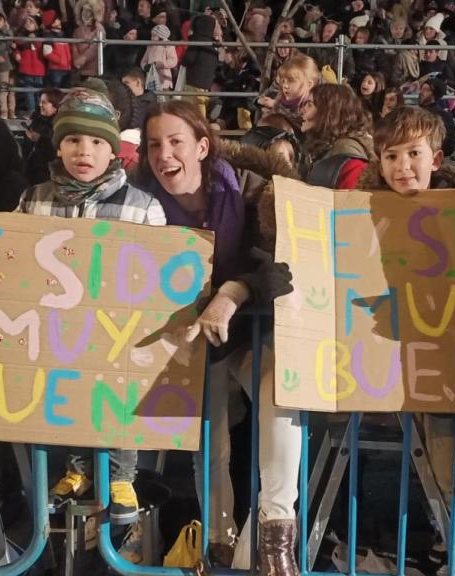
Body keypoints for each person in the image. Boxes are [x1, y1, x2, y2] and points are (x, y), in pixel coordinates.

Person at [138, 99, 299, 575]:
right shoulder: (142, 203)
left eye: (175, 142)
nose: (164, 154)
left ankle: (275, 536)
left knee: (281, 402)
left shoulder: (255, 192)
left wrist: (233, 291)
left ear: (203, 146)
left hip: (255, 328)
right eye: (153, 145)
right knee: (208, 432)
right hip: (189, 336)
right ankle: (217, 540)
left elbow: (277, 264)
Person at [18, 88, 164, 525]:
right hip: (56, 328)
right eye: (74, 140)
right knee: (66, 392)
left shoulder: (143, 207)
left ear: (114, 148)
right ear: (58, 145)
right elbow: (12, 258)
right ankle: (77, 470)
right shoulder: (34, 200)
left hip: (117, 331)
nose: (85, 151)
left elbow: (159, 272)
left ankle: (122, 477)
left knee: (114, 394)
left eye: (98, 142)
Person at [356, 105, 455, 576]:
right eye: (390, 155)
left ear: (435, 158)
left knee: (450, 449)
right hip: (386, 357)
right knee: (421, 454)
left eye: (412, 153)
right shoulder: (359, 214)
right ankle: (445, 540)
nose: (401, 166)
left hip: (450, 360)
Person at [301, 83, 373, 188]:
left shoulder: (349, 156)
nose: (302, 110)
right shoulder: (323, 146)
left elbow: (350, 200)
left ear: (328, 112)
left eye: (310, 104)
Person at [258, 53, 319, 131]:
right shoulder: (280, 98)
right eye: (283, 81)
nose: (285, 86)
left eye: (291, 81)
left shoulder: (314, 107)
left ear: (309, 84)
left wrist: (275, 107)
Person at [23, 87, 65, 185]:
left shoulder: (61, 124)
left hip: (48, 174)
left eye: (44, 102)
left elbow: (58, 148)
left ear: (55, 106)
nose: (40, 105)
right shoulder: (37, 119)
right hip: (31, 169)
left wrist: (40, 139)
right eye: (40, 102)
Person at [182, 13, 220, 118]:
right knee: (201, 104)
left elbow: (188, 59)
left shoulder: (196, 42)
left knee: (190, 108)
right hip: (207, 83)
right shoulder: (214, 45)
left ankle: (197, 127)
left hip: (193, 81)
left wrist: (183, 59)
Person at [14, 15, 45, 114]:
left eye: (30, 22)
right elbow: (16, 47)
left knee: (38, 92)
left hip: (39, 68)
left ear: (36, 25)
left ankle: (39, 111)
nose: (27, 23)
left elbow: (42, 48)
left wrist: (34, 40)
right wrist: (17, 55)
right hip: (26, 67)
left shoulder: (40, 35)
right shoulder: (20, 35)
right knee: (29, 92)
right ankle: (32, 111)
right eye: (26, 21)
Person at [417, 77, 455, 156]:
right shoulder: (415, 113)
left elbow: (449, 144)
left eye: (426, 90)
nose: (421, 92)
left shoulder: (444, 116)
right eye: (421, 89)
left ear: (434, 94)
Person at [71, 0, 103, 80]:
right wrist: (76, 61)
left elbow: (94, 49)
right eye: (83, 10)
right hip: (79, 71)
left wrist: (81, 60)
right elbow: (74, 46)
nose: (85, 14)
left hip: (94, 72)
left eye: (88, 11)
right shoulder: (77, 30)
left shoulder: (99, 30)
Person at [142, 23, 177, 90]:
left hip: (164, 78)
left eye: (154, 36)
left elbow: (173, 60)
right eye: (151, 35)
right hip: (151, 77)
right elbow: (144, 60)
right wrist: (145, 66)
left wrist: (161, 64)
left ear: (161, 37)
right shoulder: (150, 46)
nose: (151, 38)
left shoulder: (168, 46)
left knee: (164, 96)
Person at [42, 17, 72, 88]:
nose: (59, 20)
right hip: (56, 69)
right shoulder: (49, 36)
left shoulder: (64, 35)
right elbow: (47, 53)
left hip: (67, 68)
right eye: (56, 20)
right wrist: (60, 61)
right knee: (55, 91)